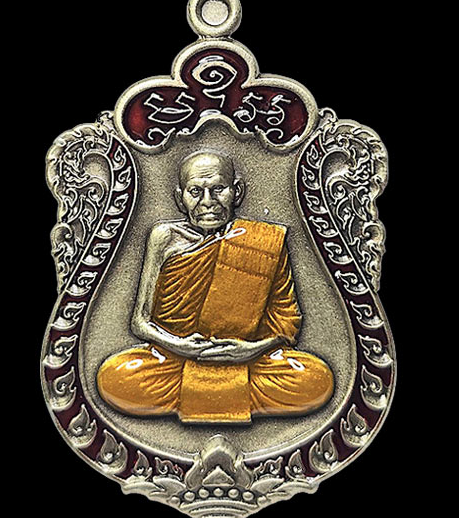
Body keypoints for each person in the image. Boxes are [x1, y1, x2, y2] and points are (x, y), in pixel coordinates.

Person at [97, 151, 334, 423]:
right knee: (116, 376)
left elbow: (287, 322)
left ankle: (196, 397)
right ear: (180, 198)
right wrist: (180, 346)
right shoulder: (165, 238)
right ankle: (231, 397)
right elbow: (140, 323)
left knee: (315, 378)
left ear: (237, 192)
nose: (207, 202)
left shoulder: (264, 241)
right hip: (174, 359)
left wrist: (250, 349)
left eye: (218, 189)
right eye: (195, 191)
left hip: (248, 360)